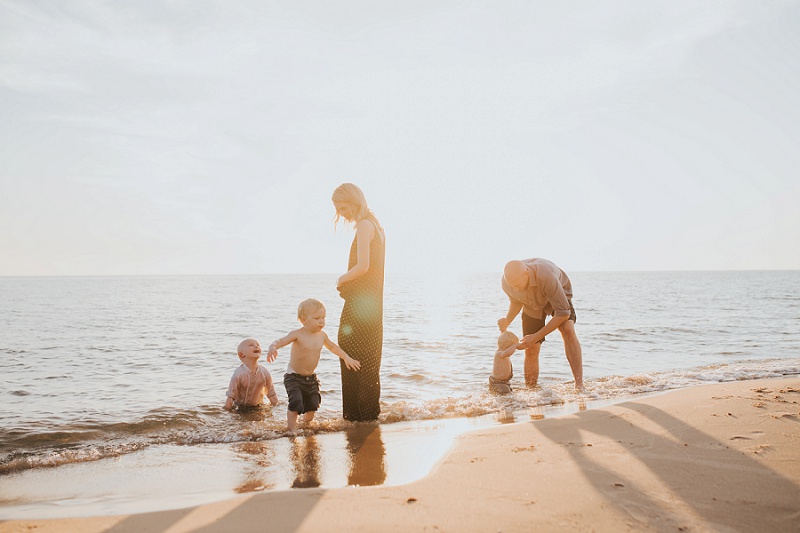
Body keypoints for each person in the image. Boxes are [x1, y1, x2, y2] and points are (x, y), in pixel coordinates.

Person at [331, 183, 386, 421]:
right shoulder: (377, 225)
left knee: (352, 354)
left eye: (343, 208)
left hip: (361, 303)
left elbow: (363, 266)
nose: (342, 214)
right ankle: (367, 416)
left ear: (354, 202)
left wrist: (342, 278)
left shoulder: (364, 225)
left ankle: (356, 418)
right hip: (372, 304)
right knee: (368, 358)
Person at [267, 298, 361, 433]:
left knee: (313, 404)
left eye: (323, 317)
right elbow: (281, 341)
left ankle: (305, 425)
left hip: (310, 378)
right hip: (293, 377)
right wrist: (273, 346)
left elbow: (333, 347)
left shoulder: (322, 336)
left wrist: (346, 357)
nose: (322, 321)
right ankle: (291, 429)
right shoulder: (298, 334)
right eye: (317, 318)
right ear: (304, 320)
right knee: (295, 402)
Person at [498, 258, 584, 390]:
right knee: (531, 347)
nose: (514, 288)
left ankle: (579, 385)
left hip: (557, 295)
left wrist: (536, 336)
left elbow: (563, 313)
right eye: (512, 286)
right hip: (532, 303)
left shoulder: (545, 276)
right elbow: (516, 301)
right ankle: (531, 390)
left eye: (517, 284)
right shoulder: (507, 283)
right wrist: (507, 320)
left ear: (526, 273)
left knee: (566, 328)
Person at [224, 338, 279, 411]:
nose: (256, 347)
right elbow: (230, 397)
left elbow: (272, 394)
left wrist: (278, 409)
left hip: (258, 407)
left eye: (258, 345)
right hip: (239, 408)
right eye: (251, 345)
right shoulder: (238, 374)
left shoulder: (264, 372)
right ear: (241, 354)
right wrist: (226, 413)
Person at [489, 330, 520, 395]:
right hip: (498, 383)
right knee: (505, 396)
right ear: (506, 346)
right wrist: (515, 345)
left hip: (504, 382)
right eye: (513, 348)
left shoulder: (504, 354)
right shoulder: (499, 353)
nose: (514, 350)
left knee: (508, 396)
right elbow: (507, 353)